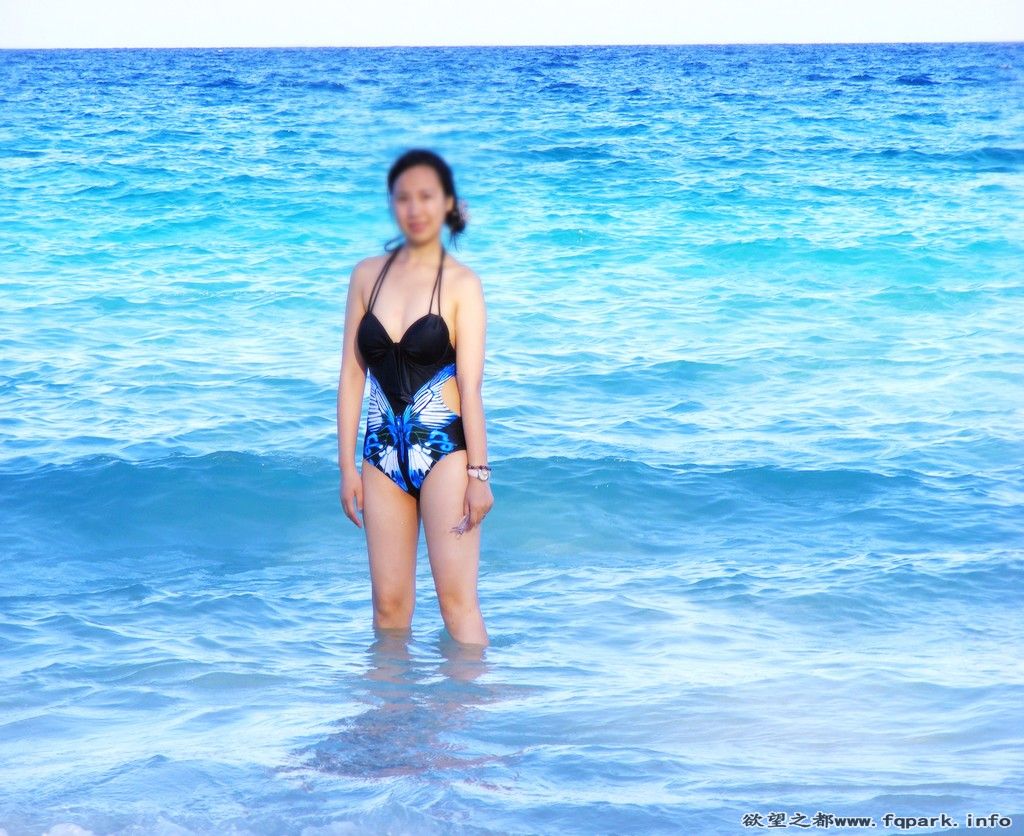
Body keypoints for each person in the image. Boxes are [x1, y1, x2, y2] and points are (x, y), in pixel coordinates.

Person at [337, 149, 492, 647]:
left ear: (446, 203)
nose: (414, 208)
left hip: (445, 452)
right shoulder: (366, 276)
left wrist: (479, 476)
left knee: (457, 605)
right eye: (403, 197)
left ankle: (476, 696)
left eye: (426, 196)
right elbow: (351, 376)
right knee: (388, 609)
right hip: (379, 455)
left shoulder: (463, 284)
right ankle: (388, 699)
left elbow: (470, 387)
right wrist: (346, 468)